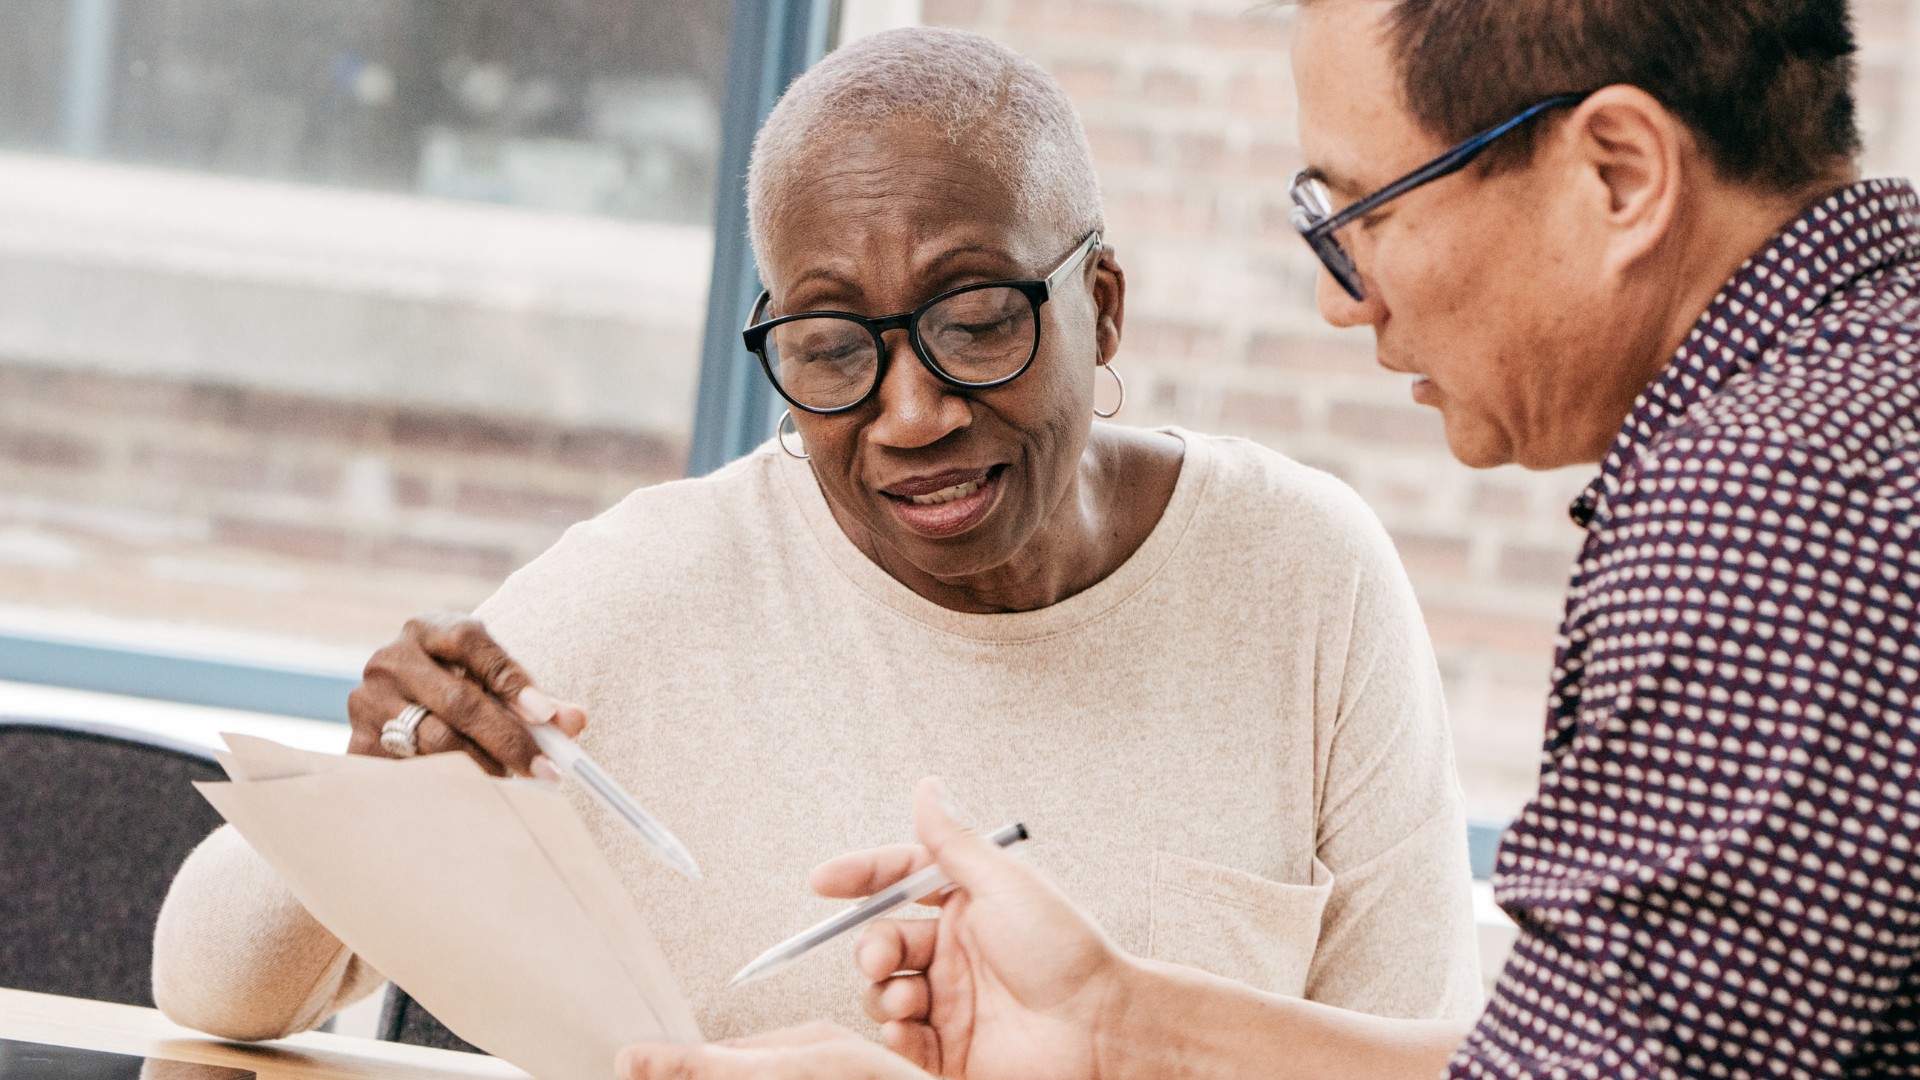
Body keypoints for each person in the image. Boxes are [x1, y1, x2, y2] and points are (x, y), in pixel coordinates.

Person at [616, 0, 1920, 1075]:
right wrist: (1125, 1026)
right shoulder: (1863, 395)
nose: (1340, 296)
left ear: (1618, 174)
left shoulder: (1773, 507)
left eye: (1366, 212)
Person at [150, 27, 1484, 1044]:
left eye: (975, 322)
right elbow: (207, 987)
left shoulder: (1307, 578)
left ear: (1104, 309)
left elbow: (1413, 1057)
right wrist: (378, 797)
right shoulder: (656, 584)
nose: (910, 412)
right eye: (835, 346)